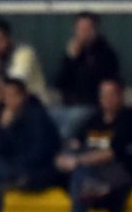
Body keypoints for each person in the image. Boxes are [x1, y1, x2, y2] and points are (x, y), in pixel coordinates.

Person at [55, 79, 132, 212]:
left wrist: (78, 160)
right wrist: (63, 158)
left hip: (117, 172)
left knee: (79, 174)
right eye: (103, 95)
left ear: (120, 96)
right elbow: (76, 143)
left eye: (111, 94)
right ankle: (90, 193)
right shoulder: (93, 120)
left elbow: (111, 153)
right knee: (72, 173)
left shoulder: (128, 120)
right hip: (90, 172)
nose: (106, 99)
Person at [0, 79, 60, 212]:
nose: (7, 100)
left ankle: (11, 176)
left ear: (22, 97)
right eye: (6, 96)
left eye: (11, 96)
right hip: (14, 170)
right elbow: (0, 152)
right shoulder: (8, 117)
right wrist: (4, 128)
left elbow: (41, 152)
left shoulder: (37, 116)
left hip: (37, 172)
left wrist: (18, 166)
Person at [50, 11, 120, 139]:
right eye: (79, 29)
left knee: (68, 126)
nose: (82, 33)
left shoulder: (105, 53)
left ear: (95, 30)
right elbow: (58, 83)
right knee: (49, 119)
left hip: (91, 105)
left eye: (86, 29)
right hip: (67, 105)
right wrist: (71, 59)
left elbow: (95, 82)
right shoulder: (71, 53)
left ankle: (66, 150)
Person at [0, 18, 46, 130]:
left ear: (8, 39)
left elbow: (15, 87)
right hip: (1, 103)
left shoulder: (24, 53)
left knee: (10, 113)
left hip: (30, 103)